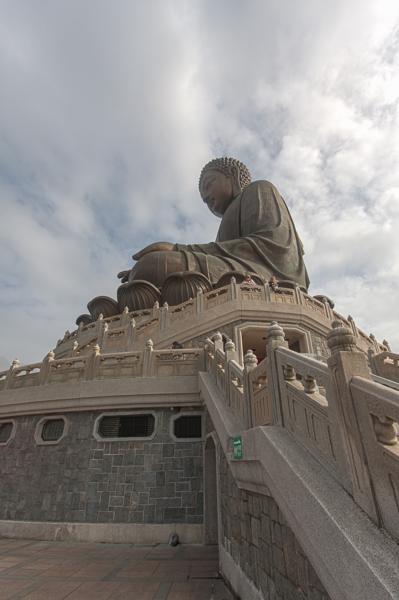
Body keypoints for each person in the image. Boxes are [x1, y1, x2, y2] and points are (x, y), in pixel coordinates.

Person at [123, 157, 309, 291]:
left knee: (152, 265)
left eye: (209, 184)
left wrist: (178, 249)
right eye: (203, 199)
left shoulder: (259, 189)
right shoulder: (227, 222)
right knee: (147, 269)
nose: (206, 197)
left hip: (270, 277)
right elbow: (224, 259)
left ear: (233, 175)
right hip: (234, 273)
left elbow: (274, 247)